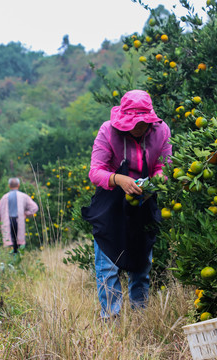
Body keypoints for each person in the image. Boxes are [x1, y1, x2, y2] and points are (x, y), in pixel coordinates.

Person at [82, 90, 172, 320]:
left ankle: (140, 317)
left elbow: (165, 166)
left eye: (143, 124)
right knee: (107, 268)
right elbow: (95, 172)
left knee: (141, 264)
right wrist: (119, 179)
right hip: (111, 203)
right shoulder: (107, 131)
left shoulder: (161, 131)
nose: (138, 128)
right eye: (134, 123)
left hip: (144, 201)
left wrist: (157, 181)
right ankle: (111, 319)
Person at [0, 177, 39, 253]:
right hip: (19, 221)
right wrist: (26, 213)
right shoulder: (23, 196)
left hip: (7, 222)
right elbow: (35, 207)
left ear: (9, 186)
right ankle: (18, 258)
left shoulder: (4, 197)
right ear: (18, 185)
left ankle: (11, 260)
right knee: (19, 242)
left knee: (9, 242)